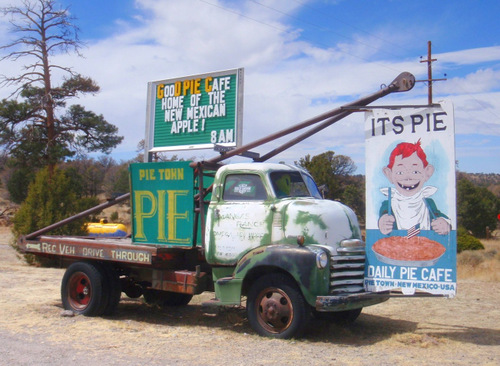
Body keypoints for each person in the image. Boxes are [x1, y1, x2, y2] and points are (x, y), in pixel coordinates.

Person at [378, 140, 451, 236]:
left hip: (425, 247)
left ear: (427, 173)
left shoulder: (428, 202)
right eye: (400, 172)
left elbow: (437, 215)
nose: (408, 178)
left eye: (415, 172)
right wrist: (383, 222)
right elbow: (384, 214)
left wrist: (444, 224)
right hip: (397, 248)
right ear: (389, 174)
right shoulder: (388, 204)